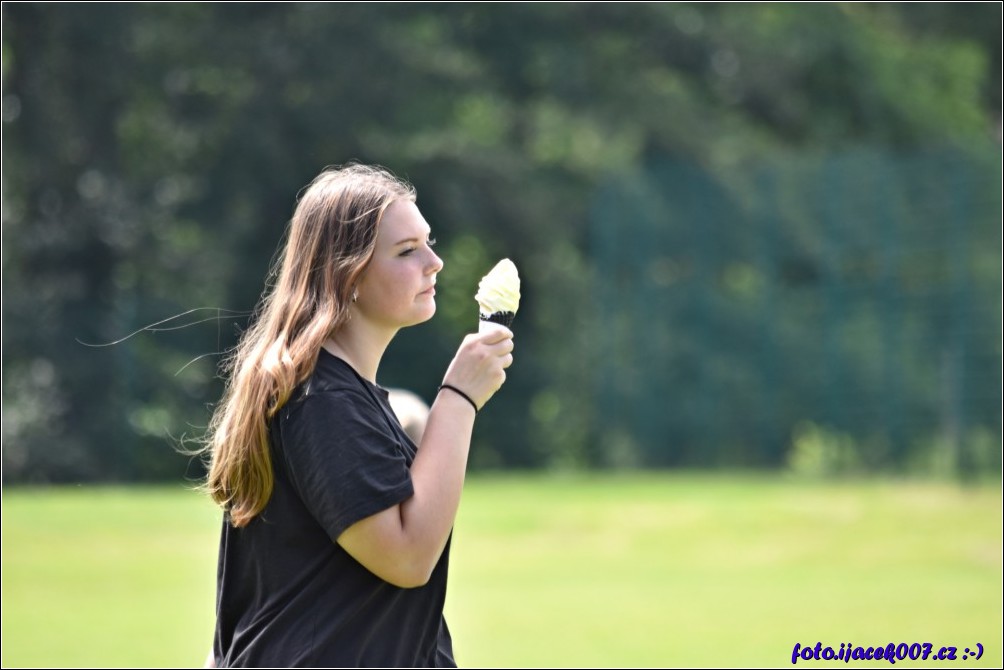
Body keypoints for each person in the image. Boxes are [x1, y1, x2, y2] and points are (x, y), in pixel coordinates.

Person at [201, 163, 515, 667]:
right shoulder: (320, 400)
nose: (434, 262)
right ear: (347, 274)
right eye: (407, 251)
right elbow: (408, 557)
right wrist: (459, 396)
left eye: (428, 243)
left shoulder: (336, 393)